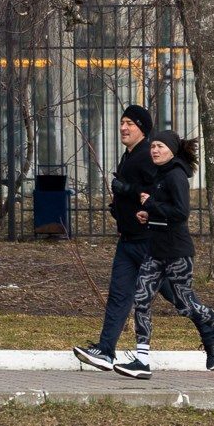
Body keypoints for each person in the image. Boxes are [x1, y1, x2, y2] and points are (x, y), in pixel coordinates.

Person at [124, 133, 214, 377]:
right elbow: (165, 213)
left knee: (186, 305)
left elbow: (181, 213)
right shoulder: (160, 175)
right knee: (140, 299)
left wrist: (150, 205)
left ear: (171, 150)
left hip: (176, 253)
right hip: (156, 252)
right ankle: (142, 360)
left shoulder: (176, 175)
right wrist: (149, 216)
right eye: (153, 147)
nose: (154, 151)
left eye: (159, 146)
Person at [72, 105, 160, 375]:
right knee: (119, 295)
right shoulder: (129, 155)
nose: (123, 127)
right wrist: (119, 207)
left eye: (129, 123)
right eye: (122, 122)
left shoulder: (147, 155)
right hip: (128, 239)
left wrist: (128, 190)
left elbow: (155, 192)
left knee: (179, 296)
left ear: (142, 128)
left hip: (149, 242)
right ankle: (106, 350)